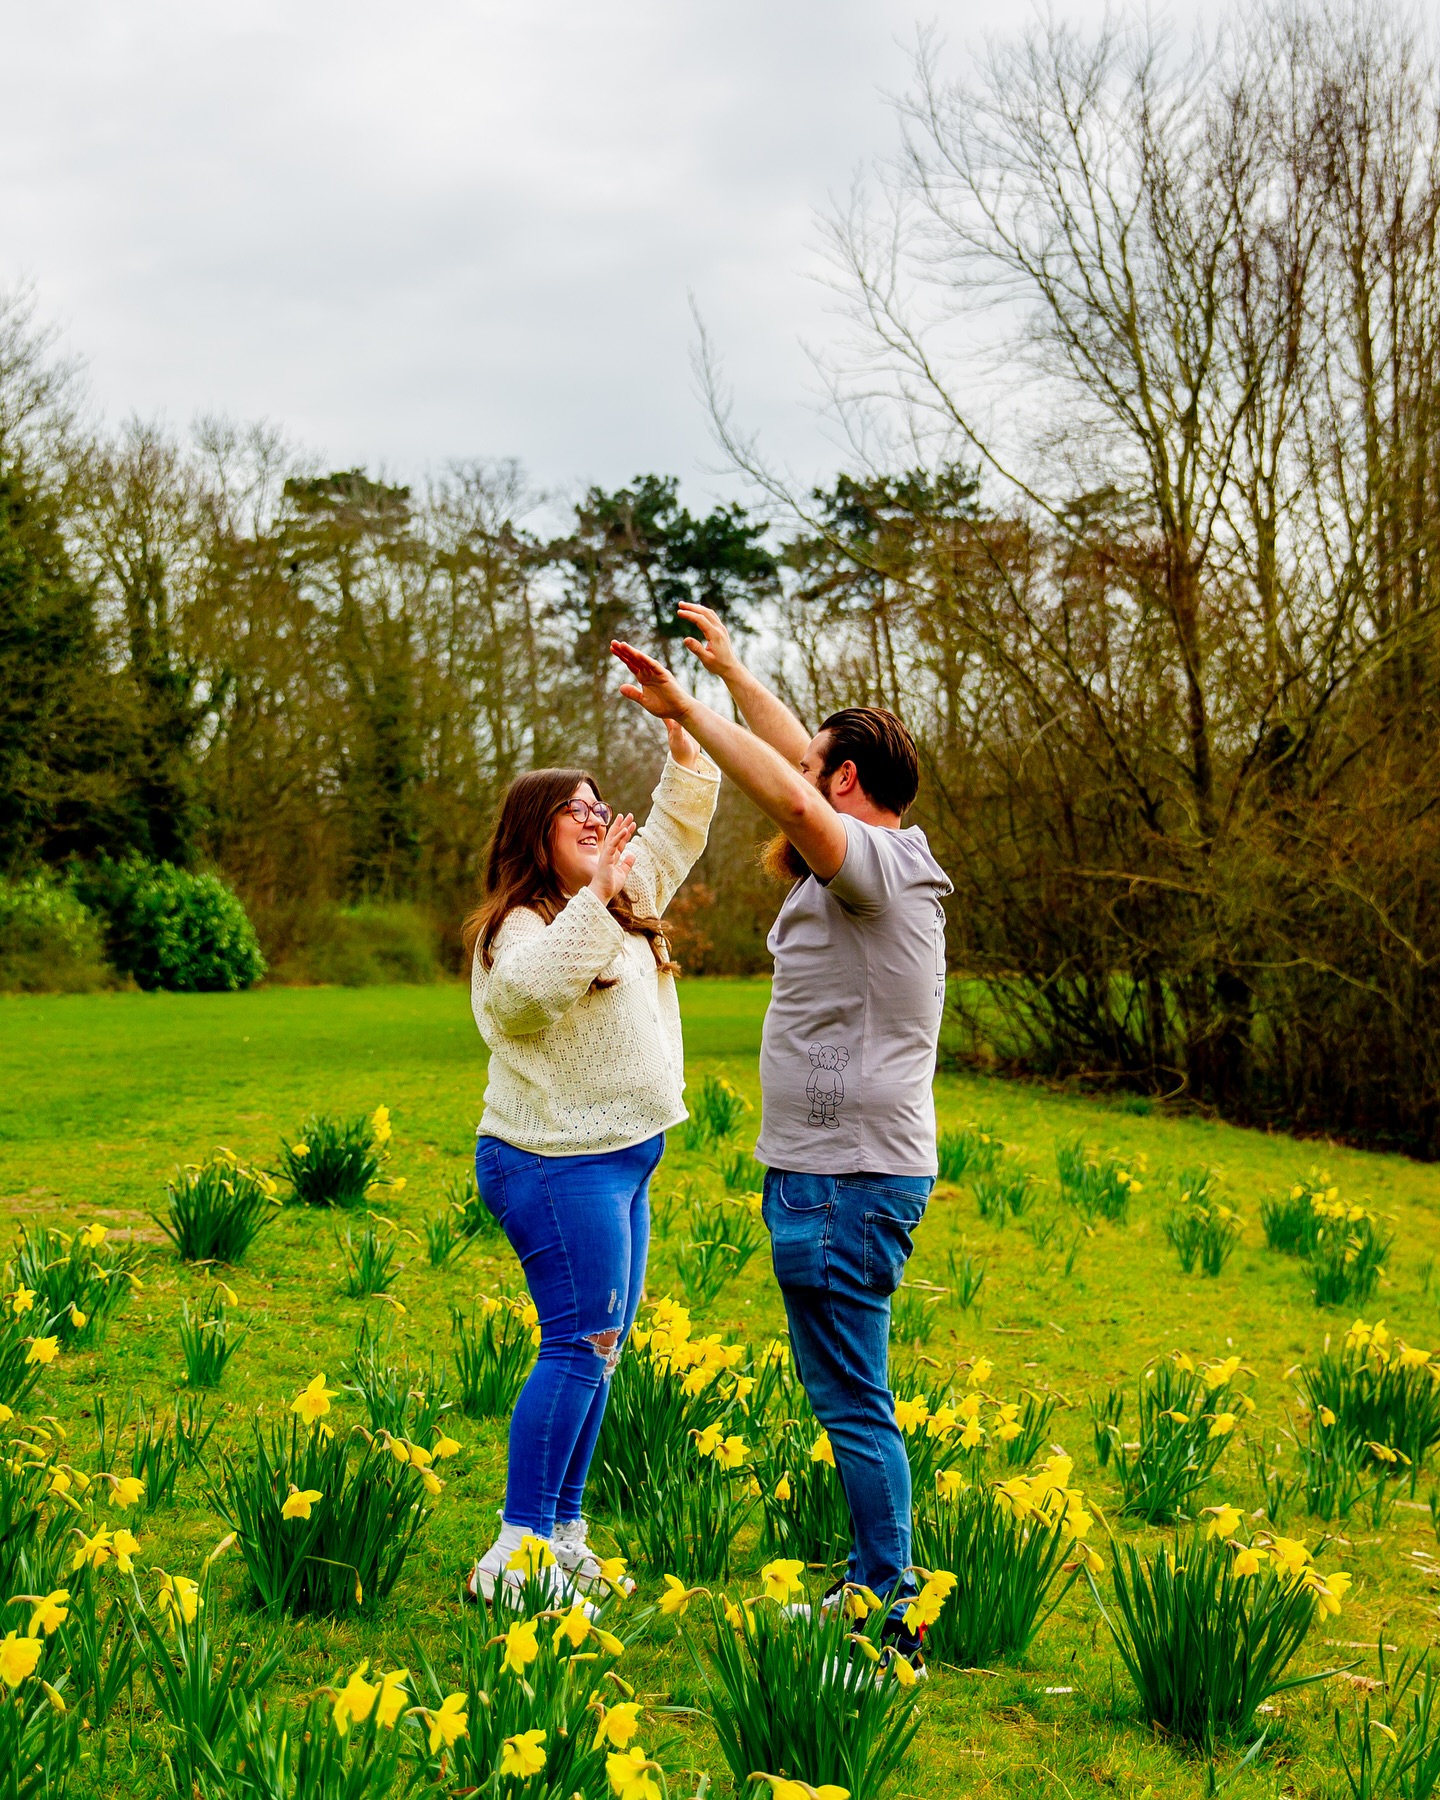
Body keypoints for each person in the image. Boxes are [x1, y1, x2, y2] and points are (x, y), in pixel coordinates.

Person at [611, 608, 951, 1663]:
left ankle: (889, 1624)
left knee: (854, 1400)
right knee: (850, 1391)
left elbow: (795, 787)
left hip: (844, 1180)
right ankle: (868, 1593)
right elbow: (808, 764)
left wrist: (689, 710)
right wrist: (737, 672)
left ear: (848, 786)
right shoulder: (888, 859)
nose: (804, 776)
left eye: (819, 767)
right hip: (835, 1173)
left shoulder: (872, 871)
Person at [462, 716, 719, 1604]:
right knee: (579, 1344)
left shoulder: (616, 895)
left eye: (597, 805)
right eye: (570, 808)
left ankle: (563, 1536)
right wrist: (597, 893)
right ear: (533, 830)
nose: (591, 815)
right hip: (550, 1160)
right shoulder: (516, 929)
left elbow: (680, 823)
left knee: (602, 1352)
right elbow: (527, 998)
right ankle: (518, 1553)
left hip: (621, 1156)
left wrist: (684, 731)